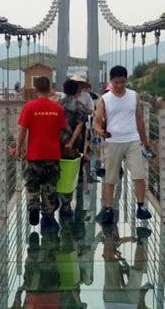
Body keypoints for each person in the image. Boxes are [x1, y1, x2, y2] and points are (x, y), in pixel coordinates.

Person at [93, 65, 152, 226]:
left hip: (133, 139)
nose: (119, 85)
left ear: (126, 80)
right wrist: (100, 132)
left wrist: (145, 141)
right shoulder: (104, 100)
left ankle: (141, 207)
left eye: (122, 82)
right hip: (113, 141)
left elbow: (139, 120)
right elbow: (97, 121)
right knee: (110, 177)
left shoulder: (134, 96)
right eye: (116, 82)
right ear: (111, 81)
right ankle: (107, 209)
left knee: (138, 174)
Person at [16, 76, 67, 232]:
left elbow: (23, 130)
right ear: (50, 88)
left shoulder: (29, 107)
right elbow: (62, 131)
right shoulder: (58, 108)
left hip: (34, 155)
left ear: (36, 89)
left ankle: (33, 205)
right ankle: (47, 218)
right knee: (49, 187)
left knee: (32, 184)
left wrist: (18, 149)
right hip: (52, 155)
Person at [58, 79, 89, 218]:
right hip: (73, 144)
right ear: (77, 91)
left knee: (55, 170)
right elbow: (80, 126)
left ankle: (53, 200)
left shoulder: (56, 106)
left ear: (63, 90)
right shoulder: (80, 106)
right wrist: (71, 142)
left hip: (56, 143)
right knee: (70, 172)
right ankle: (66, 205)